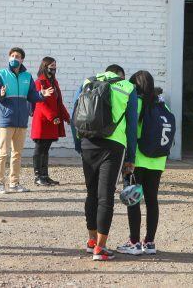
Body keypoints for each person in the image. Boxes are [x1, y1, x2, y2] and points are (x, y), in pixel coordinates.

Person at [74, 65, 138, 261]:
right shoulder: (128, 87)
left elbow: (73, 116)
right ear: (121, 75)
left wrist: (79, 145)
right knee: (105, 196)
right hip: (113, 145)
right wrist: (131, 158)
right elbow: (132, 125)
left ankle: (91, 241)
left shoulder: (88, 82)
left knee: (91, 192)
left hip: (87, 143)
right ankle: (100, 249)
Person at [0, 47, 54, 194]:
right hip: (6, 120)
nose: (14, 58)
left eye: (17, 56)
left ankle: (14, 183)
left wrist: (41, 94)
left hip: (21, 121)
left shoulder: (27, 77)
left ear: (22, 59)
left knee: (17, 153)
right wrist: (0, 93)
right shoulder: (1, 75)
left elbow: (32, 96)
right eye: (12, 55)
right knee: (3, 153)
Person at [116, 70, 166, 256]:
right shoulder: (163, 105)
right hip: (157, 160)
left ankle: (134, 242)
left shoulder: (134, 104)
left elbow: (126, 130)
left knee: (133, 199)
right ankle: (150, 242)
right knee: (152, 200)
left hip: (136, 160)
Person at [30, 57, 70, 186]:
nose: (54, 68)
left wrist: (67, 117)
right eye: (52, 65)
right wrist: (52, 116)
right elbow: (39, 103)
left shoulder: (54, 83)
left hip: (53, 121)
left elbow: (59, 103)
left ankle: (45, 175)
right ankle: (38, 176)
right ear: (45, 66)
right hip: (43, 121)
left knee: (46, 149)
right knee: (40, 148)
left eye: (55, 65)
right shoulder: (39, 82)